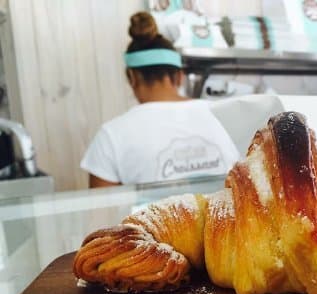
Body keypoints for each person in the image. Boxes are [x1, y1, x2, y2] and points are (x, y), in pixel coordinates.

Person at [81, 11, 240, 188]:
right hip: (225, 217)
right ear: (179, 76)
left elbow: (103, 212)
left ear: (132, 77)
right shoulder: (226, 115)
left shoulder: (111, 136)